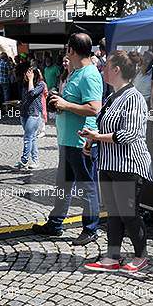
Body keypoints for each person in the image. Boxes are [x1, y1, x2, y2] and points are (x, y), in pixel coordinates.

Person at [81, 51, 153, 274]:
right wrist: (92, 142)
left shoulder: (134, 98)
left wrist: (96, 137)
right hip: (109, 164)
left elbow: (128, 134)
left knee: (129, 213)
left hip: (129, 165)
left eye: (106, 66)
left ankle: (141, 255)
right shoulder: (113, 96)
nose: (102, 69)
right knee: (113, 212)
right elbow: (106, 128)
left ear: (117, 70)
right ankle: (112, 256)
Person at [32, 33, 103, 246]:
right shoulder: (76, 72)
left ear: (71, 50)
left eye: (66, 49)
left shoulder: (89, 74)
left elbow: (94, 108)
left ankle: (91, 229)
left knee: (88, 186)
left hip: (82, 141)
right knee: (63, 185)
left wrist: (65, 105)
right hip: (68, 140)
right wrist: (60, 103)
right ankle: (55, 224)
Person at [15, 67, 46, 169]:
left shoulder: (41, 84)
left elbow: (32, 93)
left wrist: (31, 80)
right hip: (24, 113)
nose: (27, 74)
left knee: (28, 137)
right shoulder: (25, 84)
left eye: (30, 73)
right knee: (32, 138)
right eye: (27, 72)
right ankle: (35, 161)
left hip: (34, 114)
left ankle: (24, 160)